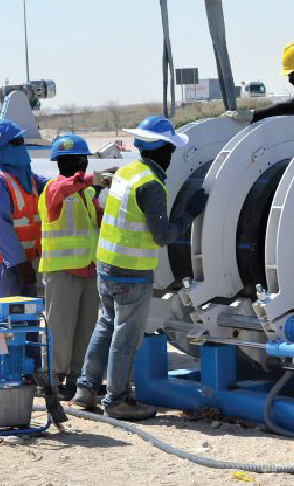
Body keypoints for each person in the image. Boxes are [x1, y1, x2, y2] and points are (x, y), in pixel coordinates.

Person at [72, 117, 207, 420]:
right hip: (131, 273)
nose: (172, 155)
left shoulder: (127, 172)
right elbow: (163, 236)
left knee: (105, 325)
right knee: (125, 337)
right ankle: (117, 400)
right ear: (162, 151)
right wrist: (190, 213)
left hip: (107, 265)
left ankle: (86, 391)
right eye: (170, 149)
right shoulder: (151, 184)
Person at [38, 134, 113, 401]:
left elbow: (96, 224)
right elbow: (61, 191)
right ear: (66, 161)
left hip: (88, 269)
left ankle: (79, 378)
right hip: (62, 272)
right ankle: (53, 379)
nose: (84, 163)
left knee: (86, 328)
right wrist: (93, 179)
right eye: (80, 159)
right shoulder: (53, 188)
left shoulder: (86, 194)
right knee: (60, 327)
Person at [0, 119, 46, 297]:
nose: (22, 147)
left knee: (28, 317)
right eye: (15, 143)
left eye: (22, 142)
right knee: (8, 320)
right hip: (9, 266)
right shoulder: (2, 180)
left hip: (27, 263)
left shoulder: (27, 176)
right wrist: (20, 262)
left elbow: (52, 185)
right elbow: (2, 228)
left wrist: (83, 181)